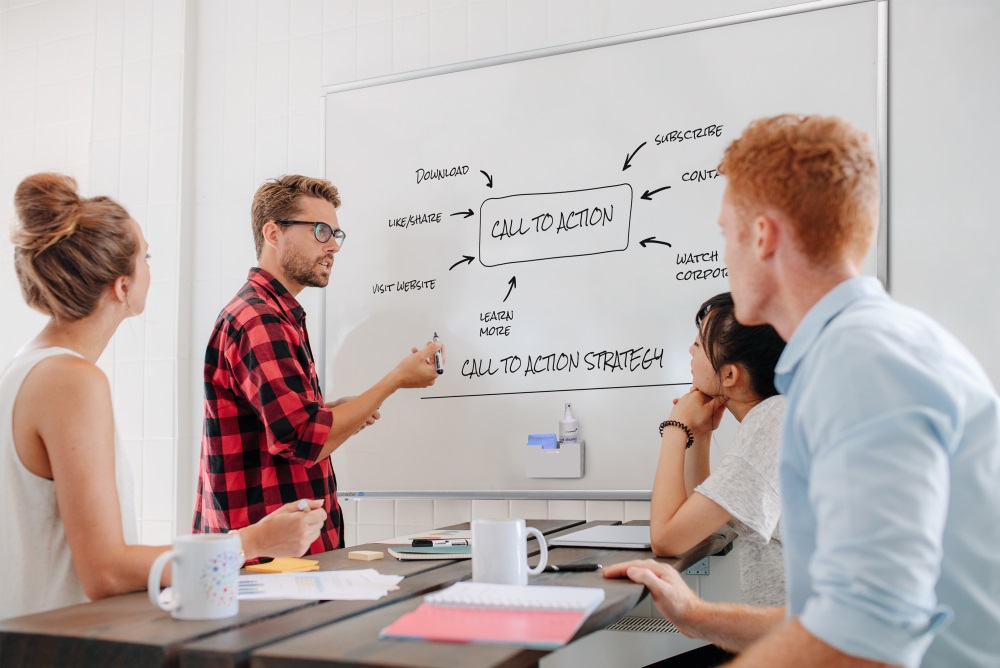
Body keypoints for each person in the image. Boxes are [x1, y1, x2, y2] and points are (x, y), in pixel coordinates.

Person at [607, 115, 1000, 667]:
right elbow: (834, 617)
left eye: (726, 234)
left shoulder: (860, 367)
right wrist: (698, 616)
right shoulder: (855, 357)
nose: (724, 255)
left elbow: (867, 638)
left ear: (762, 236)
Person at [0, 173, 327, 621]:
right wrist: (255, 541)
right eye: (146, 257)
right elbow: (106, 573)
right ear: (121, 286)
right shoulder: (71, 380)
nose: (151, 269)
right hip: (64, 642)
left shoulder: (27, 366)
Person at [192, 175, 443, 554]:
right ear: (273, 234)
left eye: (336, 235)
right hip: (269, 565)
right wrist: (395, 380)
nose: (333, 247)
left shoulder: (274, 313)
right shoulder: (260, 319)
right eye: (321, 231)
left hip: (281, 560)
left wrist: (330, 411)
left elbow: (281, 428)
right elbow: (307, 440)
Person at [652, 292, 786, 609]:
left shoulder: (771, 425)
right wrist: (699, 434)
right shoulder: (779, 415)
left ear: (729, 375)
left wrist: (675, 428)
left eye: (698, 344)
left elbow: (666, 539)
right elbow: (704, 527)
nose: (690, 350)